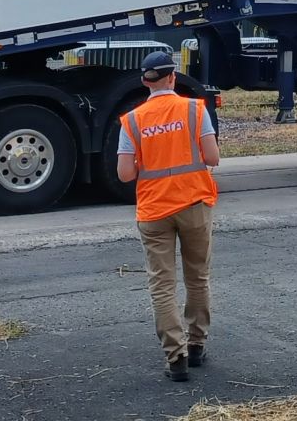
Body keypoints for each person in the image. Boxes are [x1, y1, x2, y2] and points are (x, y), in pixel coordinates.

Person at [117, 50, 220, 382]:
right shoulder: (194, 110)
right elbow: (212, 157)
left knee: (161, 283)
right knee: (197, 278)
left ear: (145, 82)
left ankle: (175, 358)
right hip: (193, 204)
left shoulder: (132, 120)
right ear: (173, 77)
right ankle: (198, 345)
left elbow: (124, 174)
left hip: (153, 210)